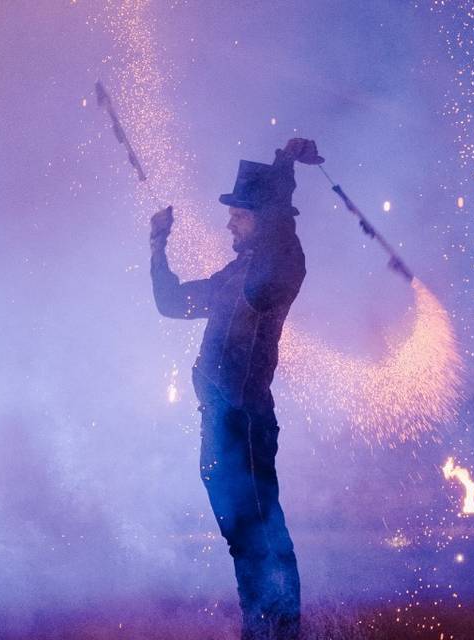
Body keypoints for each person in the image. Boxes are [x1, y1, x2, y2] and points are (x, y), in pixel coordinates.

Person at [149, 139, 323, 640]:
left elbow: (280, 238)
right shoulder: (235, 275)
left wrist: (284, 168)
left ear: (264, 220)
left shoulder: (277, 270)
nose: (229, 223)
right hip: (219, 417)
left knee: (260, 529)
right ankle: (263, 625)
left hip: (243, 418)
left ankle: (280, 629)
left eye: (240, 215)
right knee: (240, 531)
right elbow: (170, 303)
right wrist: (158, 244)